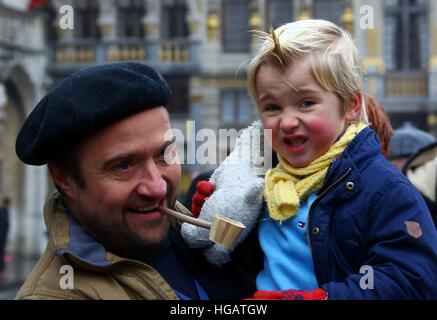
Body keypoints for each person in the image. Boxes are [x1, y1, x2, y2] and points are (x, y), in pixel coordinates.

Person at [189, 20, 437, 299]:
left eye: (306, 103)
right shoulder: (259, 177)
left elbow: (411, 279)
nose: (288, 121)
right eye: (272, 107)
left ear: (351, 105)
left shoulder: (383, 188)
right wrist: (215, 219)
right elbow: (232, 262)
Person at [14, 62, 246, 300]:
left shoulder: (203, 235)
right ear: (65, 179)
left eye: (165, 154)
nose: (157, 187)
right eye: (124, 166)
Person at [0, 197, 10, 275]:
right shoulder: (4, 212)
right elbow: (5, 225)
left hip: (3, 237)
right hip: (2, 238)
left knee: (2, 253)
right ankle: (2, 270)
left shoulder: (4, 211)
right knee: (1, 253)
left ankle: (2, 270)